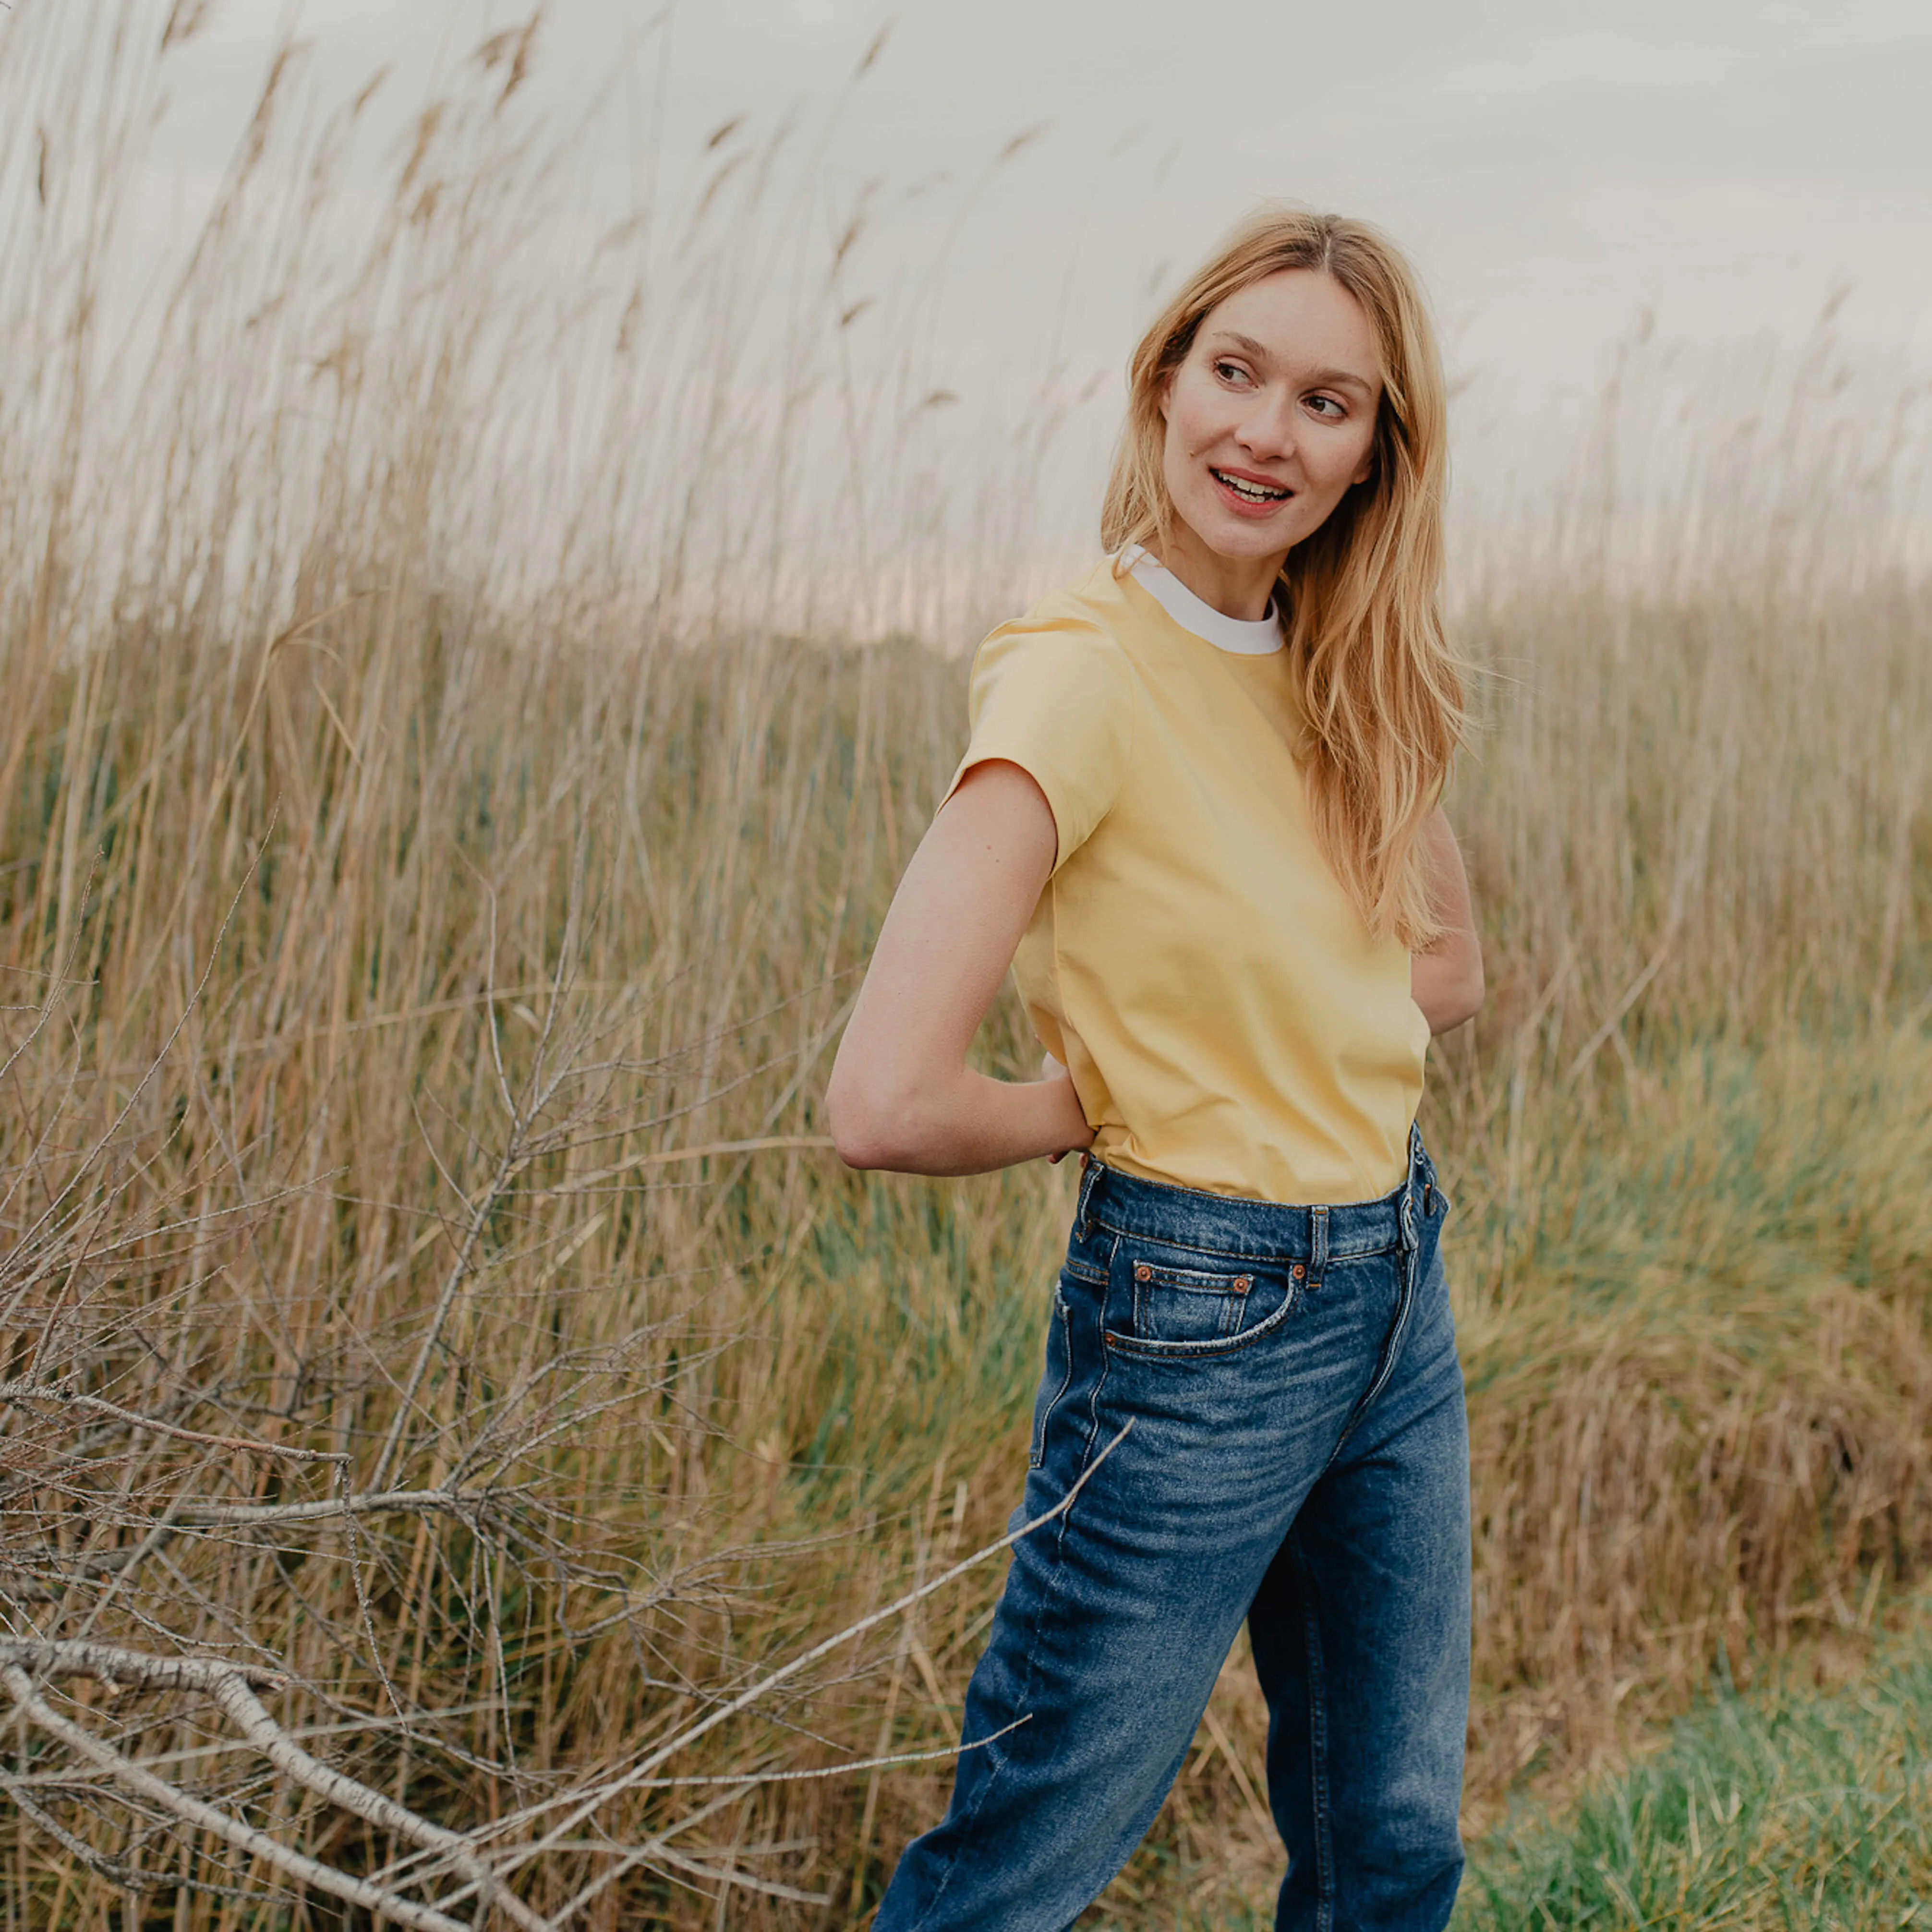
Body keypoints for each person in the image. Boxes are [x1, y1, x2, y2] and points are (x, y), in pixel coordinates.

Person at [826, 207, 1484, 1932]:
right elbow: (884, 1097)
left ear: (1375, 457)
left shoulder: (1354, 664)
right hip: (1200, 1317)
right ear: (1165, 382)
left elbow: (1450, 971)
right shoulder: (1081, 670)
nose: (1267, 432)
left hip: (1392, 1287)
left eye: (1329, 404)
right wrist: (1088, 1104)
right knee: (1022, 1870)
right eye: (1238, 372)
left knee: (1392, 1844)